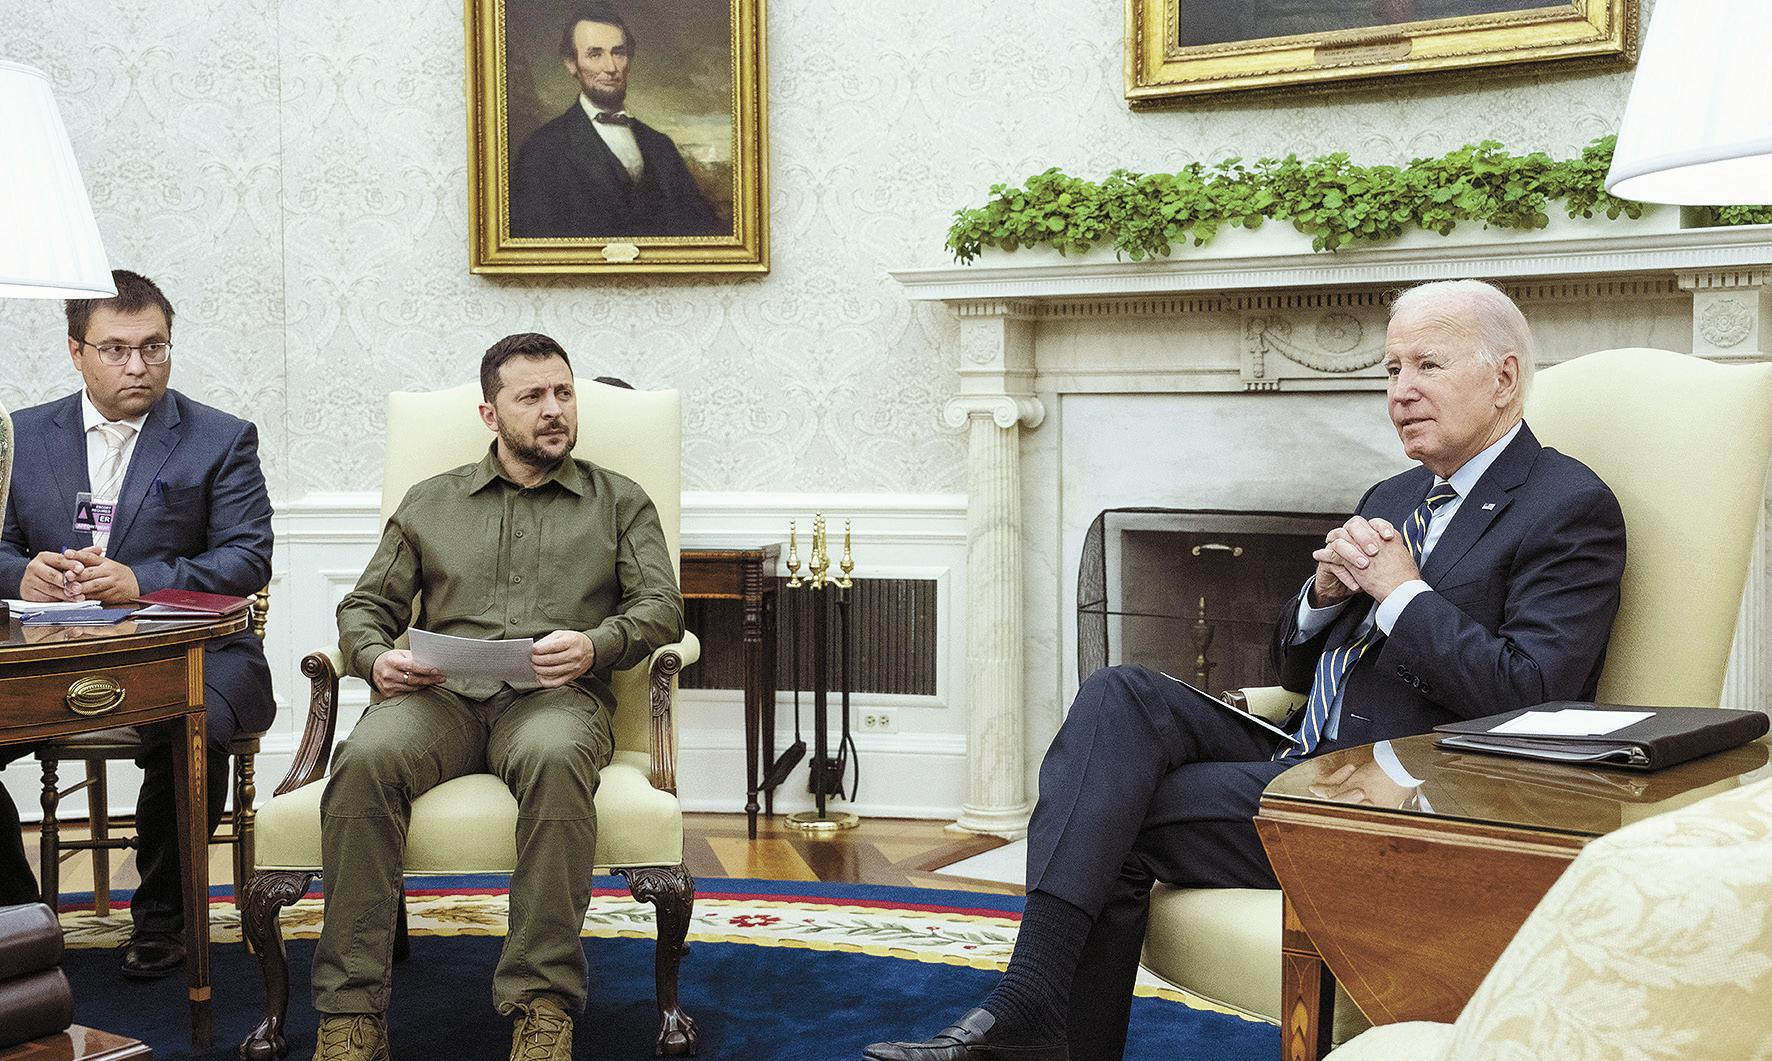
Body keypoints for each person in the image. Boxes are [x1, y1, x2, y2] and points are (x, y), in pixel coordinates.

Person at [865, 279, 1628, 1061]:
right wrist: (1322, 597)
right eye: (1391, 369)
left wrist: (1402, 593)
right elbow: (1291, 666)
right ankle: (1030, 1012)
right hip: (1306, 753)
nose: (1400, 391)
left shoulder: (1569, 504)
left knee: (1110, 809)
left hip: (1405, 796)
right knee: (1120, 693)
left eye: (1426, 365)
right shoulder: (1396, 493)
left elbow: (1531, 693)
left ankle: (1030, 1011)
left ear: (1504, 377)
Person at [309, 332, 684, 1061]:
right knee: (363, 759)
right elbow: (366, 606)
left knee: (556, 757)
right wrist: (377, 659)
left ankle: (543, 1005)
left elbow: (661, 608)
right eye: (532, 396)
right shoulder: (432, 500)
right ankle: (351, 1014)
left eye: (564, 393)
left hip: (555, 699)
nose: (554, 410)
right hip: (439, 698)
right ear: (491, 413)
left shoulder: (619, 501)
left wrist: (597, 644)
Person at [0, 269, 275, 978]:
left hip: (192, 649)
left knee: (193, 731)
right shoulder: (21, 435)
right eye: (116, 349)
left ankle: (163, 919)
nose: (138, 366)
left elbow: (248, 556)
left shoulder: (219, 437)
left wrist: (142, 581)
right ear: (76, 351)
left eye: (154, 347)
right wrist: (20, 573)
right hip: (51, 651)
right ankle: (23, 921)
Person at [509, 4, 723, 239]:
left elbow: (702, 230)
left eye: (618, 53)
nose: (611, 67)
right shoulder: (541, 150)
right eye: (595, 54)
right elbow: (533, 244)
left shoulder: (661, 146)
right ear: (571, 64)